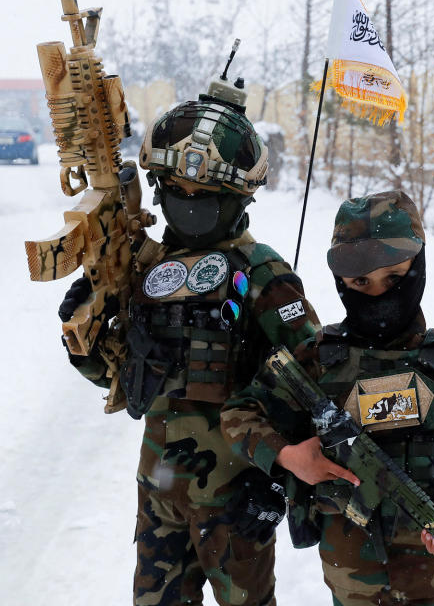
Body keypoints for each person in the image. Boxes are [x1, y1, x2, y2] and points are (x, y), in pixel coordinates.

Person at [59, 79, 322, 606]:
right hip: (159, 493)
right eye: (178, 192)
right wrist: (82, 337)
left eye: (207, 197)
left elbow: (313, 388)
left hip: (236, 493)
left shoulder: (262, 274)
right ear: (159, 188)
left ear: (239, 198)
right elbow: (124, 378)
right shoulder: (144, 266)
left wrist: (278, 483)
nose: (191, 204)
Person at [221, 190, 434, 605]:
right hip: (351, 580)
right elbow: (239, 414)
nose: (377, 294)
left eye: (393, 278)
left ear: (418, 268)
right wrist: (288, 455)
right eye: (359, 283)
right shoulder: (316, 359)